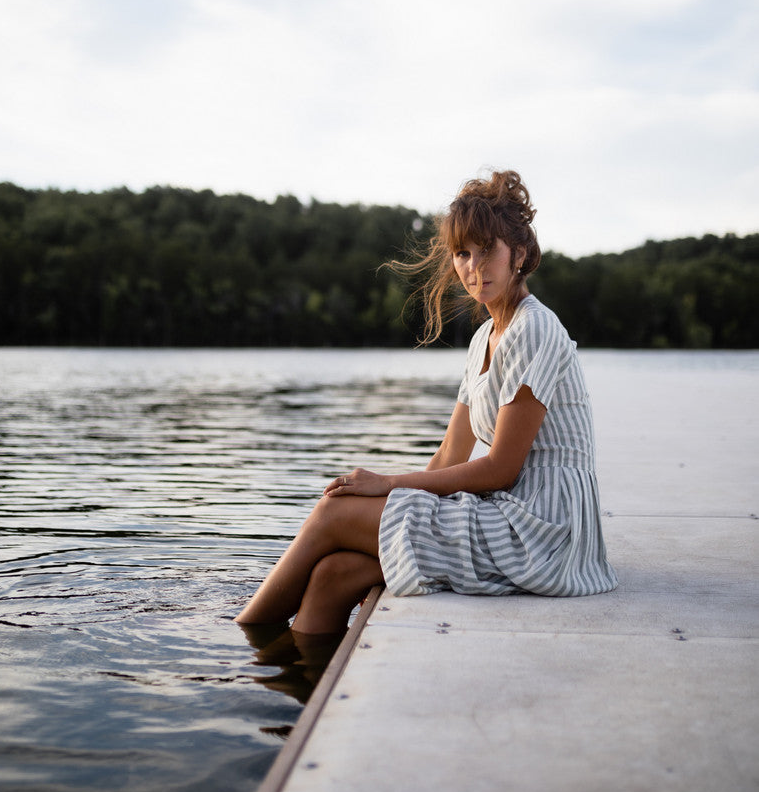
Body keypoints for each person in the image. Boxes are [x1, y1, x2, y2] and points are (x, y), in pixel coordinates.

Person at [236, 170, 617, 636]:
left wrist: (388, 486)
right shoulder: (484, 339)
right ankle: (284, 682)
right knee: (332, 574)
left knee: (332, 513)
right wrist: (393, 494)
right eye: (462, 253)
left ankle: (239, 641)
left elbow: (501, 469)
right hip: (507, 514)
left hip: (543, 533)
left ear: (519, 253)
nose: (474, 267)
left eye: (487, 250)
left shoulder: (533, 328)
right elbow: (449, 456)